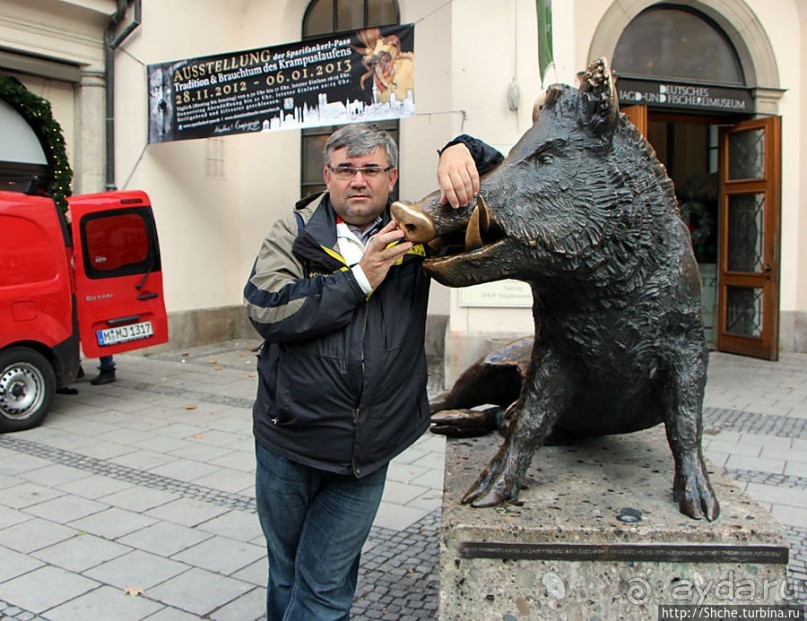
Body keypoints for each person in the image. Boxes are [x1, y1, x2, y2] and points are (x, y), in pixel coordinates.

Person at [243, 123, 501, 620]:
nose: (357, 181)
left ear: (392, 177)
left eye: (370, 170)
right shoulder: (295, 232)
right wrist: (361, 277)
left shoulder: (416, 231)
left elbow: (501, 180)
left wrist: (459, 148)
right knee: (286, 571)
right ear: (327, 177)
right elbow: (266, 311)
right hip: (288, 442)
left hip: (365, 451)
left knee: (324, 589)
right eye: (345, 170)